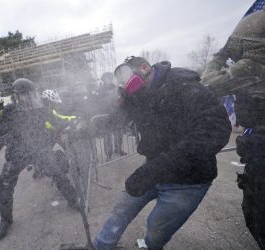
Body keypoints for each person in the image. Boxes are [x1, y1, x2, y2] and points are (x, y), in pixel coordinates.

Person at [93, 56, 231, 250]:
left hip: (188, 181)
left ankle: (149, 246)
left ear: (145, 67)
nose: (125, 83)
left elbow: (214, 130)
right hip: (154, 168)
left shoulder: (184, 86)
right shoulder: (138, 96)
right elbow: (118, 119)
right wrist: (86, 129)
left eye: (126, 75)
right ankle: (100, 246)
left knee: (157, 229)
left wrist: (156, 169)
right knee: (122, 207)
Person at [0, 79, 79, 242]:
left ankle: (73, 200)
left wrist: (74, 123)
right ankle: (5, 220)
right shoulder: (10, 110)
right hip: (17, 152)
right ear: (17, 96)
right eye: (25, 95)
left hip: (40, 149)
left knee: (58, 173)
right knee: (5, 184)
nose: (29, 98)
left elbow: (56, 121)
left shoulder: (41, 107)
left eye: (31, 94)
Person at [201, 5, 265, 249]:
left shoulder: (252, 66)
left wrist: (221, 54)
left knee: (258, 214)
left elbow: (210, 83)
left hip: (261, 146)